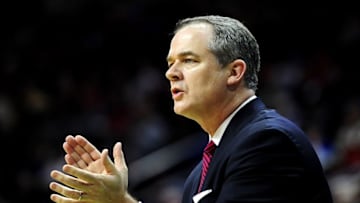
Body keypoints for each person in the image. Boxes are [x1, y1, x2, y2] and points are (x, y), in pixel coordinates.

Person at [49, 15, 333, 203]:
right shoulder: (199, 174)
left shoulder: (266, 142)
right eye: (170, 63)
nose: (171, 73)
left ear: (234, 72)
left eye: (188, 60)